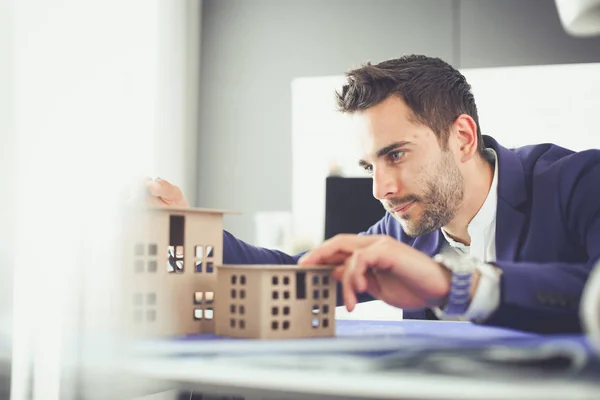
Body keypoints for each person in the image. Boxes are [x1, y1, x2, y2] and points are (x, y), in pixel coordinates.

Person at [147, 55, 600, 334]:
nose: (381, 190)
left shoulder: (580, 182)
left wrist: (452, 284)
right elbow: (300, 276)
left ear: (462, 138)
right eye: (369, 166)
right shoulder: (409, 225)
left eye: (397, 154)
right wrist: (191, 231)